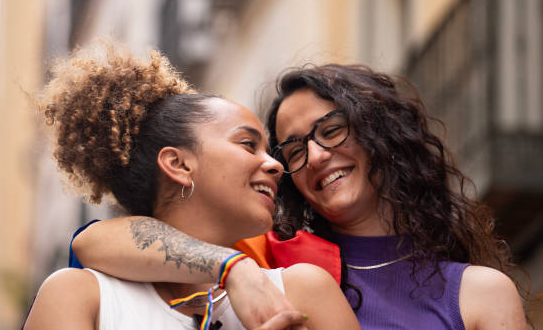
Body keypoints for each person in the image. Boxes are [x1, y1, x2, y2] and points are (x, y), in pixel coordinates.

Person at [69, 62, 529, 329]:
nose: (314, 155)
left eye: (331, 131)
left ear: (382, 133)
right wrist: (234, 269)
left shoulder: (476, 293)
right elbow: (93, 242)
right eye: (292, 148)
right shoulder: (277, 259)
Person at [23, 41, 360, 330]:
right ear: (179, 164)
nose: (276, 165)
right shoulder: (79, 298)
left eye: (270, 151)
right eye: (246, 144)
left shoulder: (306, 291)